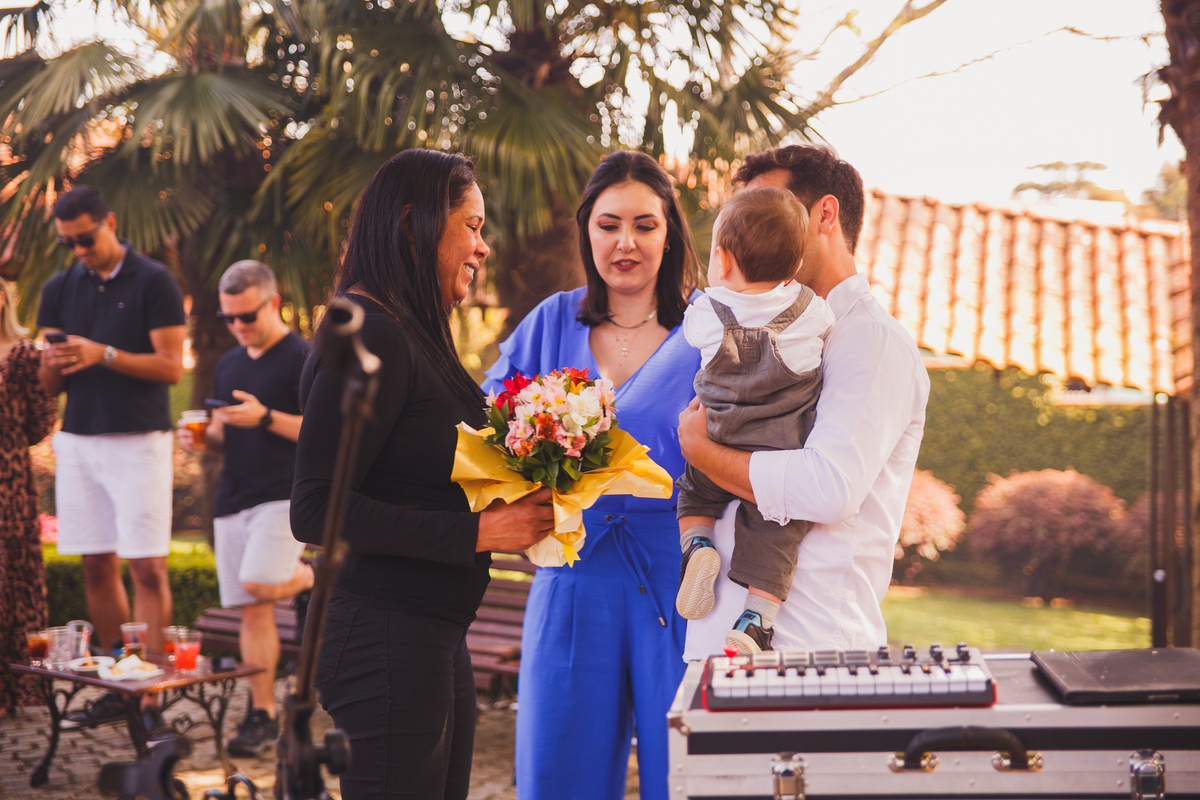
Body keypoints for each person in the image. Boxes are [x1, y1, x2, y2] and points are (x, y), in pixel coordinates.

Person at [290, 149, 554, 800]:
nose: (484, 247)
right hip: (384, 638)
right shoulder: (373, 335)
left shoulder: (411, 333)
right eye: (471, 225)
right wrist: (478, 533)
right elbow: (318, 507)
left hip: (429, 635)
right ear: (413, 225)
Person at [481, 150, 703, 800]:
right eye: (608, 225)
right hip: (572, 572)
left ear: (670, 233)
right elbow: (493, 430)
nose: (625, 243)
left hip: (682, 577)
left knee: (685, 773)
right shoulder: (550, 319)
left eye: (644, 225)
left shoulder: (708, 330)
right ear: (586, 230)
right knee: (558, 772)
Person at [678, 145, 931, 658]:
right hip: (719, 643)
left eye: (768, 207)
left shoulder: (871, 341)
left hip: (806, 654)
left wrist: (701, 453)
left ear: (825, 215)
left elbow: (828, 488)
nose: (751, 228)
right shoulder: (748, 325)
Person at [37, 186, 186, 733]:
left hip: (139, 440)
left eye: (85, 238)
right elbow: (50, 384)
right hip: (78, 440)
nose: (78, 250)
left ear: (111, 222)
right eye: (67, 243)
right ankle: (116, 684)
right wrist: (53, 361)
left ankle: (147, 697)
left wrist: (103, 353)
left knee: (147, 567)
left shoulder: (154, 280)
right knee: (96, 564)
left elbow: (172, 367)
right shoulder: (58, 288)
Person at [674, 187, 835, 655]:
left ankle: (698, 545)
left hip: (716, 432)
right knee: (776, 532)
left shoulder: (707, 313)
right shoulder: (812, 311)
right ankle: (755, 620)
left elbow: (693, 339)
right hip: (777, 450)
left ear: (722, 261)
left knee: (693, 491)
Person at [176, 260, 313, 756]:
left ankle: (312, 579)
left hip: (285, 495)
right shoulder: (230, 363)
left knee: (258, 583)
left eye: (246, 317)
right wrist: (202, 439)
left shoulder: (304, 356)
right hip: (233, 496)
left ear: (273, 302)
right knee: (252, 610)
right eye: (228, 317)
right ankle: (263, 714)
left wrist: (266, 416)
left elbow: (325, 434)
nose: (237, 327)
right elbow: (224, 439)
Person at [0, 280, 58, 717]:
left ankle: (16, 690)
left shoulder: (23, 355)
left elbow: (40, 423)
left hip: (10, 488)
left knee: (12, 586)